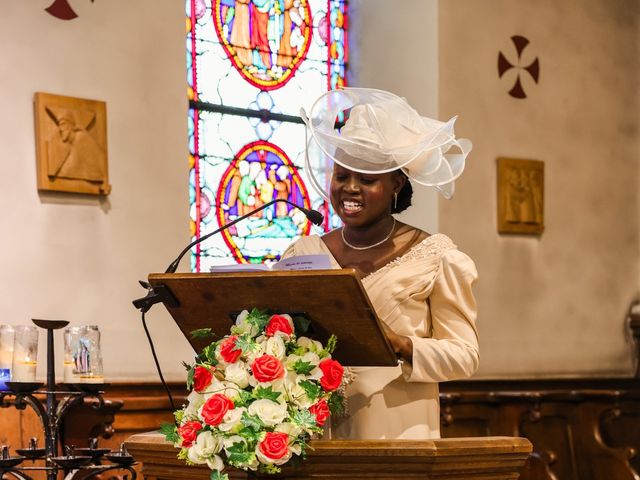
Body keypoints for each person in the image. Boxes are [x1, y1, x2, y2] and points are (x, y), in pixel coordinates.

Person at [282, 87, 478, 439]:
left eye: (367, 180)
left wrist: (400, 344)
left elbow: (464, 355)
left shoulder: (437, 257)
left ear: (396, 184)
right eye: (342, 176)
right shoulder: (303, 254)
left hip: (397, 430)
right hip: (315, 430)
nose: (350, 188)